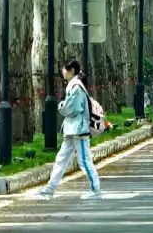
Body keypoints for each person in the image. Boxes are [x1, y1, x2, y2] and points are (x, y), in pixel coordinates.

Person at [35, 58, 103, 200]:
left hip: (79, 130)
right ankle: (50, 188)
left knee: (84, 160)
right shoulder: (74, 85)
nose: (62, 72)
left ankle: (95, 188)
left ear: (71, 71)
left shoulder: (76, 87)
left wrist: (61, 106)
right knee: (61, 159)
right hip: (72, 129)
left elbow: (72, 108)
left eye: (64, 69)